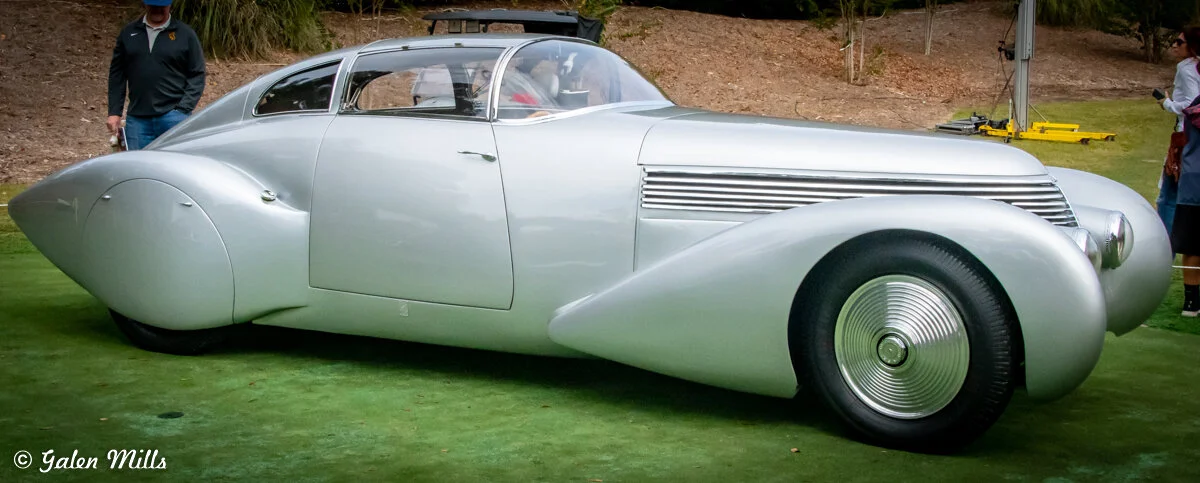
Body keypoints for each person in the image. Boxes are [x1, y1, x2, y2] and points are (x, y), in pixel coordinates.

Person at [106, 0, 206, 150]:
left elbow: (197, 73)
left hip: (173, 118)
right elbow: (117, 74)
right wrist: (114, 112)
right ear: (145, 4)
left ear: (170, 5)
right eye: (153, 5)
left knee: (174, 164)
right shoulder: (128, 33)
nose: (157, 10)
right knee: (137, 164)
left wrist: (183, 109)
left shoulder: (186, 35)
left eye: (161, 6)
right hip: (137, 119)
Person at [1157, 28, 1200, 234]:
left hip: (1185, 135)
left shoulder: (1186, 68)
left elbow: (1192, 104)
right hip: (1192, 137)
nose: (1174, 45)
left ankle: (1167, 243)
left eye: (1179, 42)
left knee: (1168, 196)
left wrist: (1167, 104)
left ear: (1191, 46)